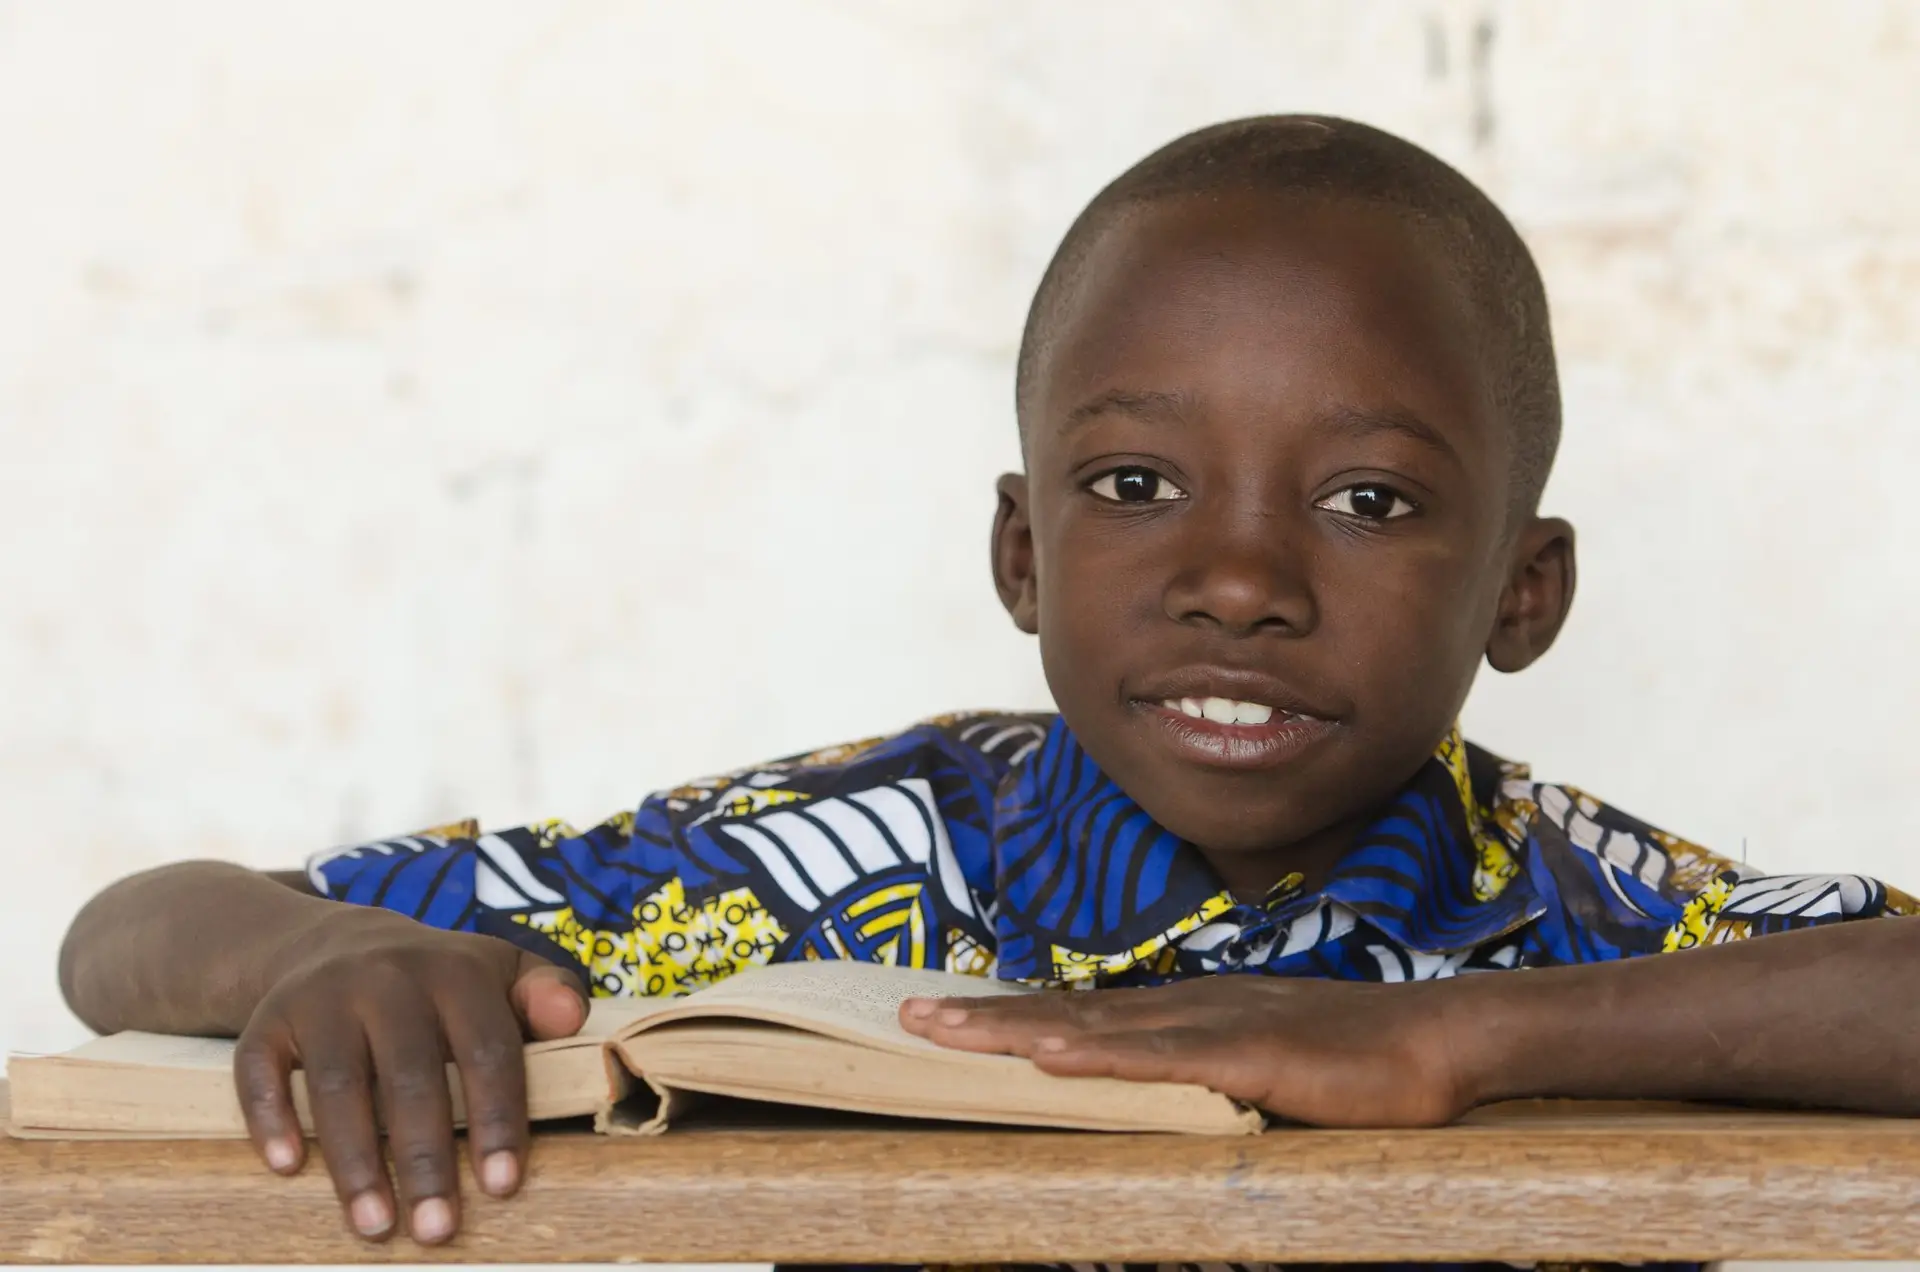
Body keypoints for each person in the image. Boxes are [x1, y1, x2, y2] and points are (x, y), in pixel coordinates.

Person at [58, 117, 1920, 1268]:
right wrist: (311, 967)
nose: (1241, 582)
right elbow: (124, 939)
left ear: (1527, 592)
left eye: (1367, 502)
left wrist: (1458, 1043)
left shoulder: (1577, 909)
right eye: (1134, 488)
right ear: (1022, 556)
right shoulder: (831, 866)